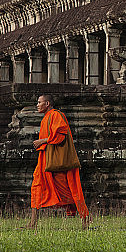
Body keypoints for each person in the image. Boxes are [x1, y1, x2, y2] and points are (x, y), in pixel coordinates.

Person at [28, 94, 91, 229]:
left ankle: (85, 218)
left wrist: (42, 140)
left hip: (56, 162)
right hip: (45, 161)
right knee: (36, 187)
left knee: (70, 191)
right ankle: (32, 223)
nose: (37, 105)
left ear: (48, 104)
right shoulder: (46, 118)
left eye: (40, 102)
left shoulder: (56, 115)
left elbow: (60, 135)